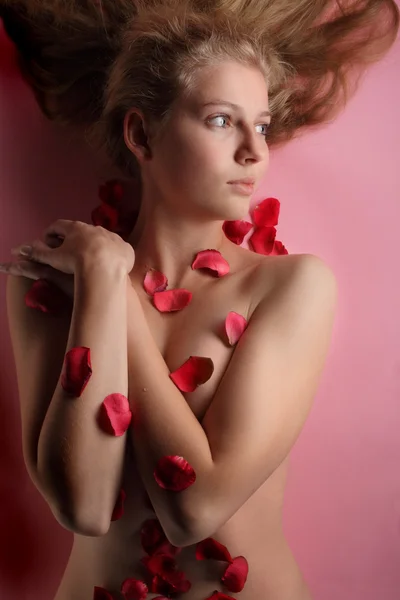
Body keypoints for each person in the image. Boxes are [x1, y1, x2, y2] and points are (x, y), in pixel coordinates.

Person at [0, 1, 398, 599]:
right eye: (220, 121)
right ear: (141, 134)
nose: (254, 152)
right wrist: (100, 283)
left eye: (260, 126)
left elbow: (194, 512)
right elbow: (82, 506)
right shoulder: (45, 283)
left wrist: (115, 295)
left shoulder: (294, 286)